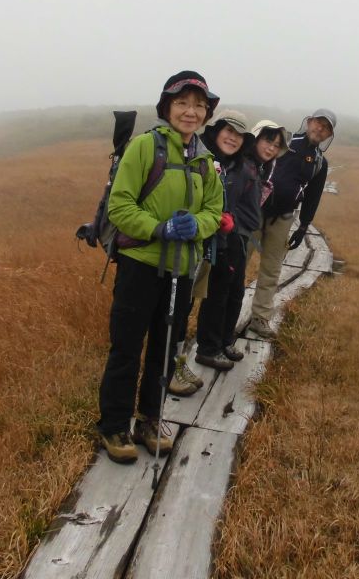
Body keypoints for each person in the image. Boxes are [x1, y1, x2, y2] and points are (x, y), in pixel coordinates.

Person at [95, 71, 224, 464]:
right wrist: (159, 229)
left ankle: (149, 419)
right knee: (127, 348)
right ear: (167, 108)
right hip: (141, 265)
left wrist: (195, 227)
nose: (191, 111)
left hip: (181, 270)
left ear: (205, 113)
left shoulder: (204, 159)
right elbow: (120, 206)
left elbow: (214, 211)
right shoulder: (144, 148)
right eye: (183, 103)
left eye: (199, 105)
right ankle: (114, 425)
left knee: (165, 350)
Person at [248, 110, 336, 338]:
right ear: (309, 122)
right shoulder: (284, 141)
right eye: (318, 123)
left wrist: (304, 225)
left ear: (328, 135)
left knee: (272, 268)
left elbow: (314, 195)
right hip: (255, 210)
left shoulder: (319, 163)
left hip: (284, 218)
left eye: (326, 128)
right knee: (239, 262)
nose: (320, 129)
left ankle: (260, 318)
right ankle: (226, 315)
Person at [191, 110, 263, 371]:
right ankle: (207, 349)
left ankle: (223, 341)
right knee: (214, 294)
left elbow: (249, 208)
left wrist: (233, 224)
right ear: (217, 130)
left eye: (239, 135)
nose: (232, 138)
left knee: (234, 292)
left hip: (233, 238)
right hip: (205, 237)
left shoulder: (241, 166)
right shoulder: (202, 158)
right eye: (228, 131)